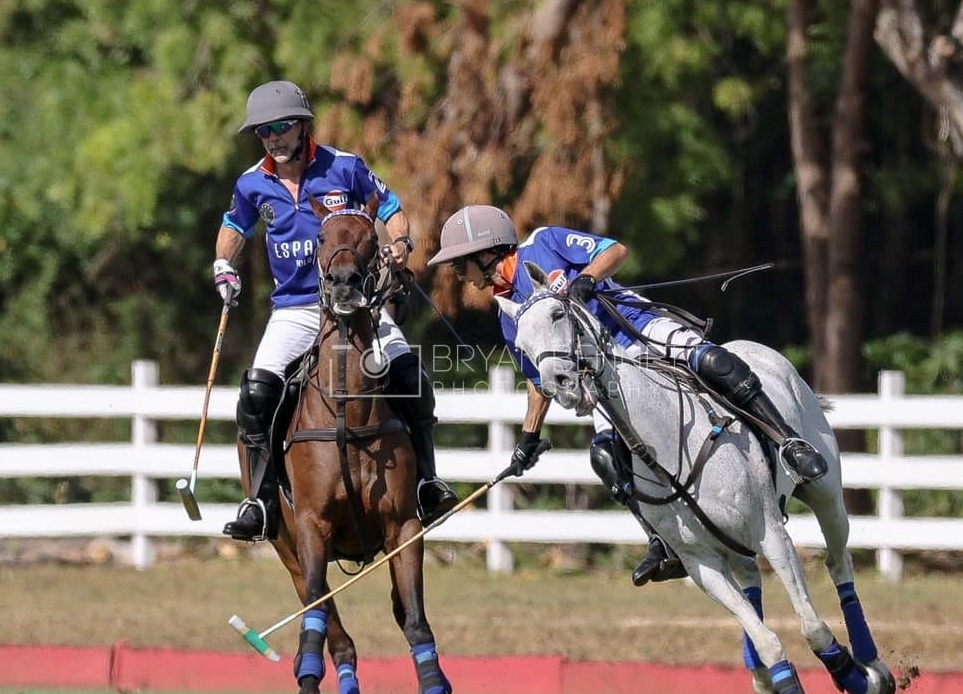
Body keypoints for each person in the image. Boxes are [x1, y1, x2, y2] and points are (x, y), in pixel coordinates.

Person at [428, 205, 828, 586]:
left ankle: (790, 443)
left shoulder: (544, 243)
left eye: (458, 263)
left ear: (485, 252)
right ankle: (663, 540)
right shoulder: (508, 314)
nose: (457, 273)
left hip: (635, 329)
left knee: (715, 363)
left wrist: (586, 279)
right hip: (607, 375)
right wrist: (527, 440)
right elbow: (537, 381)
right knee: (605, 457)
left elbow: (615, 250)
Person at [213, 79, 457, 541]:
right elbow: (233, 227)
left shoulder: (345, 167)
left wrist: (401, 241)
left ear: (303, 126)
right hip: (296, 308)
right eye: (264, 131)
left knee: (410, 375)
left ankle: (426, 482)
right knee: (256, 393)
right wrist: (223, 264)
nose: (274, 138)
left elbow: (391, 206)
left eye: (282, 127)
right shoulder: (251, 183)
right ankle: (260, 502)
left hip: (357, 303)